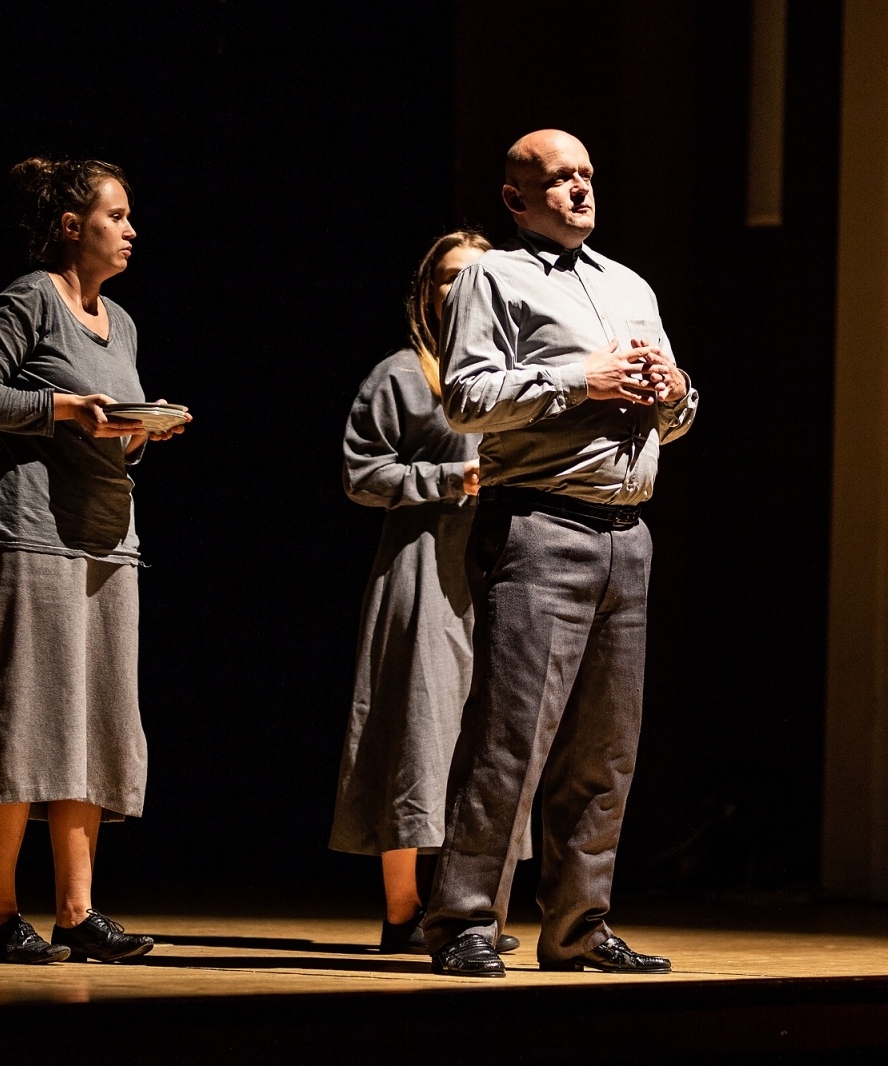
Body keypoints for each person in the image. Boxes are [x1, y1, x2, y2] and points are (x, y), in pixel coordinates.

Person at [423, 130, 699, 977]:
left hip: (628, 535)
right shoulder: (492, 278)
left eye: (586, 174)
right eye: (559, 179)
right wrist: (583, 380)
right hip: (541, 527)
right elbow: (467, 399)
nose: (580, 189)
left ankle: (579, 926)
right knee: (510, 740)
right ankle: (465, 923)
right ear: (516, 199)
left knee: (605, 751)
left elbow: (672, 420)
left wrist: (677, 395)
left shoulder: (630, 285)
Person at [0, 157, 187, 965]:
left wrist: (137, 430)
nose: (131, 230)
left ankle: (78, 913)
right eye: (117, 216)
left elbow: (108, 427)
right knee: (24, 721)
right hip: (31, 533)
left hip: (108, 538)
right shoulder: (30, 299)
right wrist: (64, 408)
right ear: (73, 226)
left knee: (93, 722)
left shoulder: (124, 323)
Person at [329, 231, 525, 955]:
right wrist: (445, 478)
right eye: (449, 278)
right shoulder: (402, 376)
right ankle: (404, 911)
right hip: (423, 569)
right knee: (414, 730)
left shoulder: (514, 371)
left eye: (477, 276)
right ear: (426, 293)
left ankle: (468, 908)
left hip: (501, 569)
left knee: (491, 737)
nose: (462, 289)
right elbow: (360, 474)